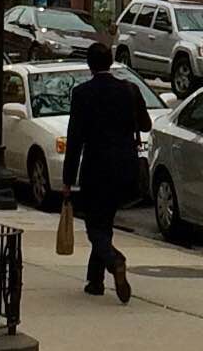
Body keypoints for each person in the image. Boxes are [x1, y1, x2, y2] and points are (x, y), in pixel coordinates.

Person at [61, 41, 147, 303]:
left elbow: (75, 139)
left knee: (94, 227)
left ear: (89, 65)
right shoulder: (130, 90)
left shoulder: (82, 94)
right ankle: (95, 281)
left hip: (96, 168)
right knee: (104, 222)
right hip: (126, 166)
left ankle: (114, 260)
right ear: (111, 62)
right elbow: (145, 124)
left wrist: (67, 179)